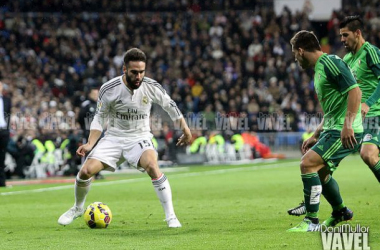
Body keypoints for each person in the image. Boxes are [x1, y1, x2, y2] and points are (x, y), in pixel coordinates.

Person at [58, 48, 192, 228]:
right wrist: (90, 143)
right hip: (113, 138)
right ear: (124, 70)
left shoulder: (151, 86)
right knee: (85, 171)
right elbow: (99, 117)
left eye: (142, 72)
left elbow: (171, 107)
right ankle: (77, 208)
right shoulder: (109, 89)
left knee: (153, 166)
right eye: (134, 72)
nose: (138, 76)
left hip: (139, 137)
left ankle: (171, 216)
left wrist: (186, 129)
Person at [288, 16, 380, 217]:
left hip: (366, 117)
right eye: (341, 36)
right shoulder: (343, 61)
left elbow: (356, 91)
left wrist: (363, 109)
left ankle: (312, 213)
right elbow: (336, 106)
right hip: (348, 121)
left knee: (366, 155)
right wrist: (316, 133)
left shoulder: (365, 53)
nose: (343, 40)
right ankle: (338, 210)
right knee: (321, 171)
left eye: (345, 35)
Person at [77, 86, 104, 179]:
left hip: (99, 133)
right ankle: (84, 171)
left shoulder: (100, 104)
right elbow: (80, 118)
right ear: (90, 94)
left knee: (98, 152)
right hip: (88, 133)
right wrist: (85, 128)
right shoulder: (86, 105)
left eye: (97, 94)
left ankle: (96, 173)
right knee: (87, 151)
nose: (96, 95)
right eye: (94, 94)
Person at [0, 81, 11, 187]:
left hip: (3, 131)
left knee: (2, 157)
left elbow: (8, 115)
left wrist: (7, 130)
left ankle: (2, 183)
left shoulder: (7, 100)